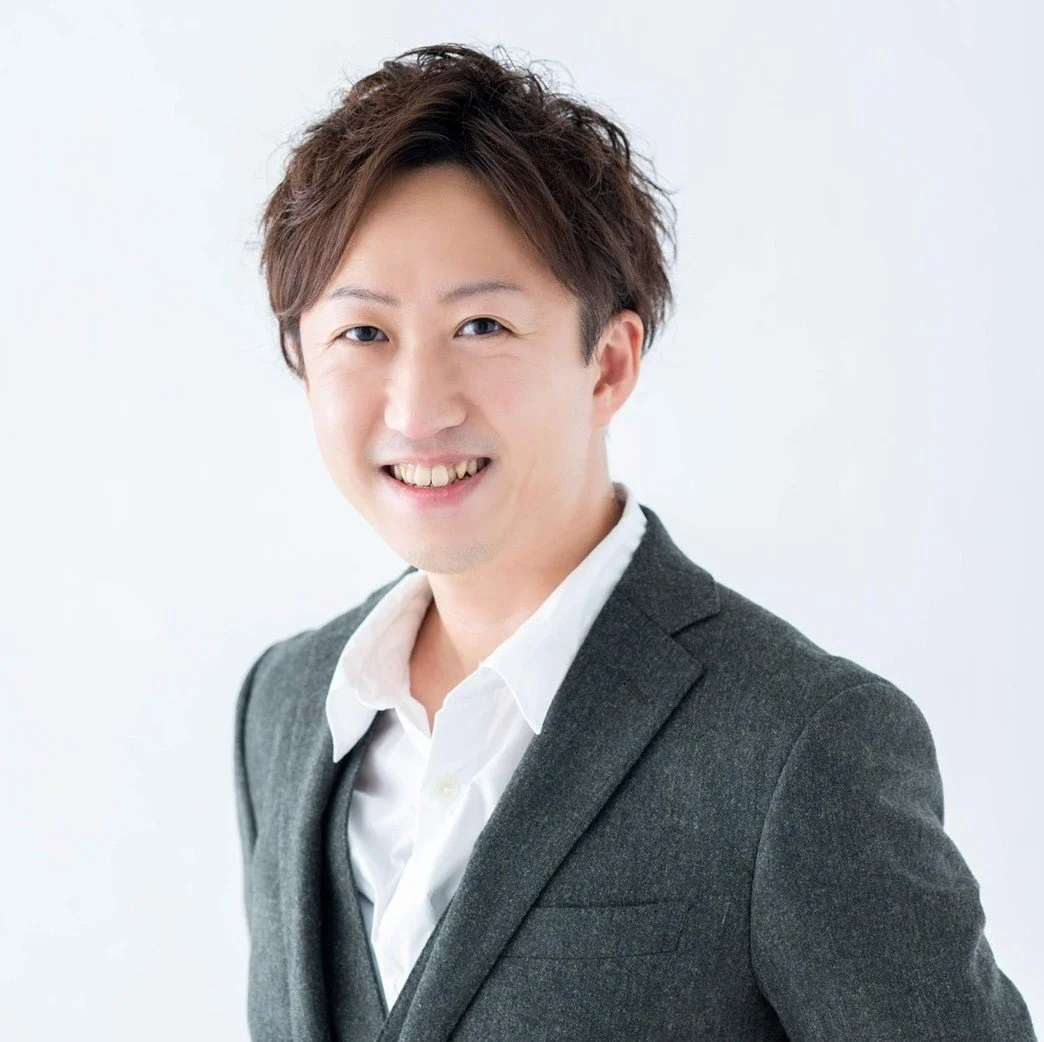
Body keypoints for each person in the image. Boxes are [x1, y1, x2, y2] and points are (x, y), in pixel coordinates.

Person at [232, 41, 1037, 1042]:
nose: (418, 408)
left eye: (482, 326)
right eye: (363, 334)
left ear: (608, 365)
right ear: (302, 358)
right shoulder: (286, 705)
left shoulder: (796, 744)